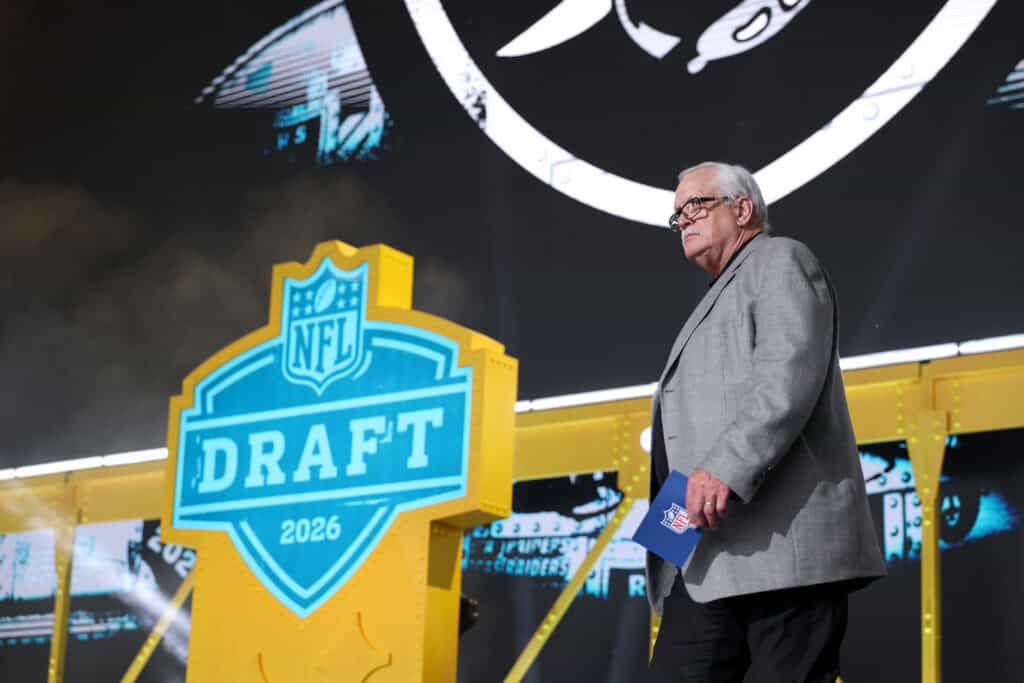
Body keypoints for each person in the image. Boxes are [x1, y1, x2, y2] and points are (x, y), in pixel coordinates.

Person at [646, 162, 886, 682]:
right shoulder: (718, 296)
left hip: (783, 553)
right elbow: (687, 443)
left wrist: (727, 469)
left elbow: (786, 378)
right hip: (704, 557)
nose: (683, 219)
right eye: (676, 214)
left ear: (743, 209)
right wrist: (664, 553)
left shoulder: (779, 261)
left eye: (696, 205)